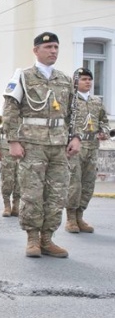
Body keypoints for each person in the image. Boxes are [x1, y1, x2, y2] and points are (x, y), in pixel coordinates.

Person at [3, 32, 81, 258]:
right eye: (48, 47)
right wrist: (13, 141)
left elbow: (74, 113)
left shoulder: (65, 79)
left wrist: (75, 137)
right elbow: (10, 110)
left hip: (58, 145)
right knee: (32, 192)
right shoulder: (23, 77)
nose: (53, 51)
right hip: (31, 144)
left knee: (57, 193)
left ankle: (48, 238)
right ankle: (32, 239)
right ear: (36, 50)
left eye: (56, 47)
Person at [65, 67, 110, 234]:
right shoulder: (70, 101)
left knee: (88, 184)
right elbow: (64, 121)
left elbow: (104, 121)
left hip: (92, 147)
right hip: (75, 148)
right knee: (74, 183)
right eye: (84, 79)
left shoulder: (96, 101)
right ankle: (70, 218)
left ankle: (80, 215)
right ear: (75, 82)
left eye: (89, 79)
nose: (88, 82)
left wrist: (104, 132)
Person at [0, 123, 21, 217]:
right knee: (7, 178)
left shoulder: (26, 113)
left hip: (23, 149)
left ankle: (16, 205)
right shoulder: (3, 116)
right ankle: (7, 206)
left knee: (21, 179)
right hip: (6, 149)